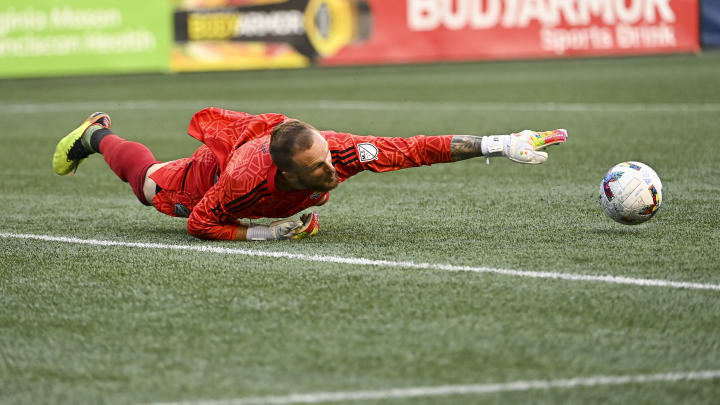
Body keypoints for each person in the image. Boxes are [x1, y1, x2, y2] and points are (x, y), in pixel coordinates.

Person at [52, 108, 568, 241]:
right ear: (287, 173)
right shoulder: (242, 181)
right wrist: (265, 232)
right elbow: (200, 225)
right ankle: (95, 135)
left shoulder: (339, 153)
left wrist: (500, 144)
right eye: (318, 167)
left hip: (265, 164)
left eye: (329, 157)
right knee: (148, 184)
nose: (333, 169)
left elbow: (417, 148)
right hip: (210, 173)